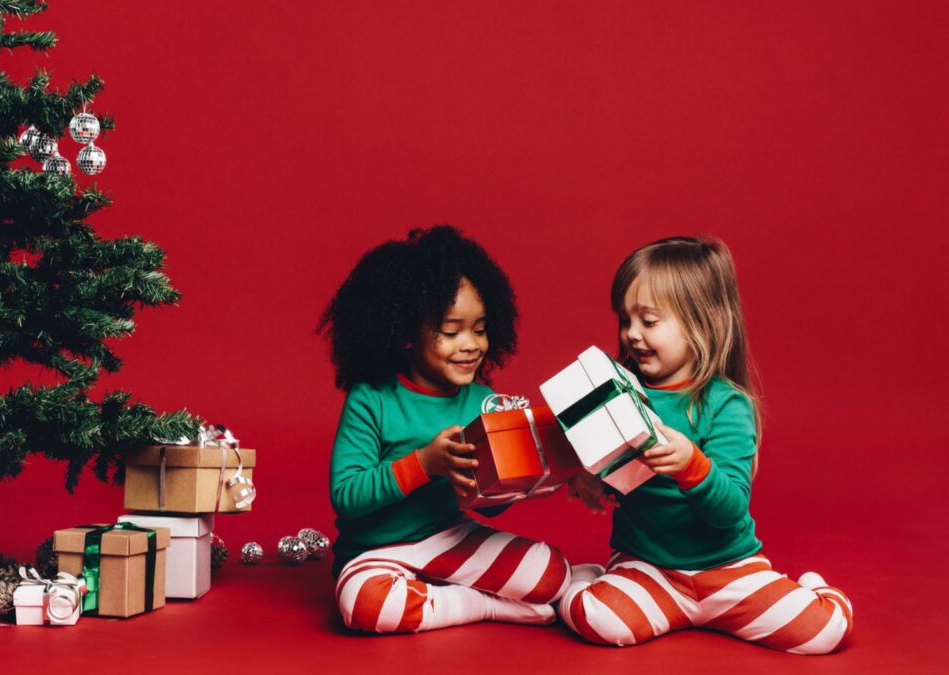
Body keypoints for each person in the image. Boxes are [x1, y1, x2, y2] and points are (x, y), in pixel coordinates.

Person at [560, 236, 853, 654]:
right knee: (595, 619)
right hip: (649, 568)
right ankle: (590, 579)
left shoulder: (726, 404)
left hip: (728, 567)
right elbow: (617, 469)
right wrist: (589, 477)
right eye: (626, 320)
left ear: (702, 323)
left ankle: (813, 587)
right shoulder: (619, 391)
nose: (632, 335)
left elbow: (730, 509)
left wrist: (690, 465)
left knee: (824, 632)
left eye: (649, 321)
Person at [320, 225, 571, 633]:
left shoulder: (483, 402)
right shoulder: (372, 398)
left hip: (450, 538)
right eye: (452, 332)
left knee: (552, 575)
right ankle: (482, 605)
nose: (471, 344)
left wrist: (515, 480)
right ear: (404, 334)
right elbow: (346, 496)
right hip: (376, 552)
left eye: (480, 329)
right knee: (367, 607)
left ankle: (438, 598)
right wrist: (424, 463)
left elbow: (488, 505)